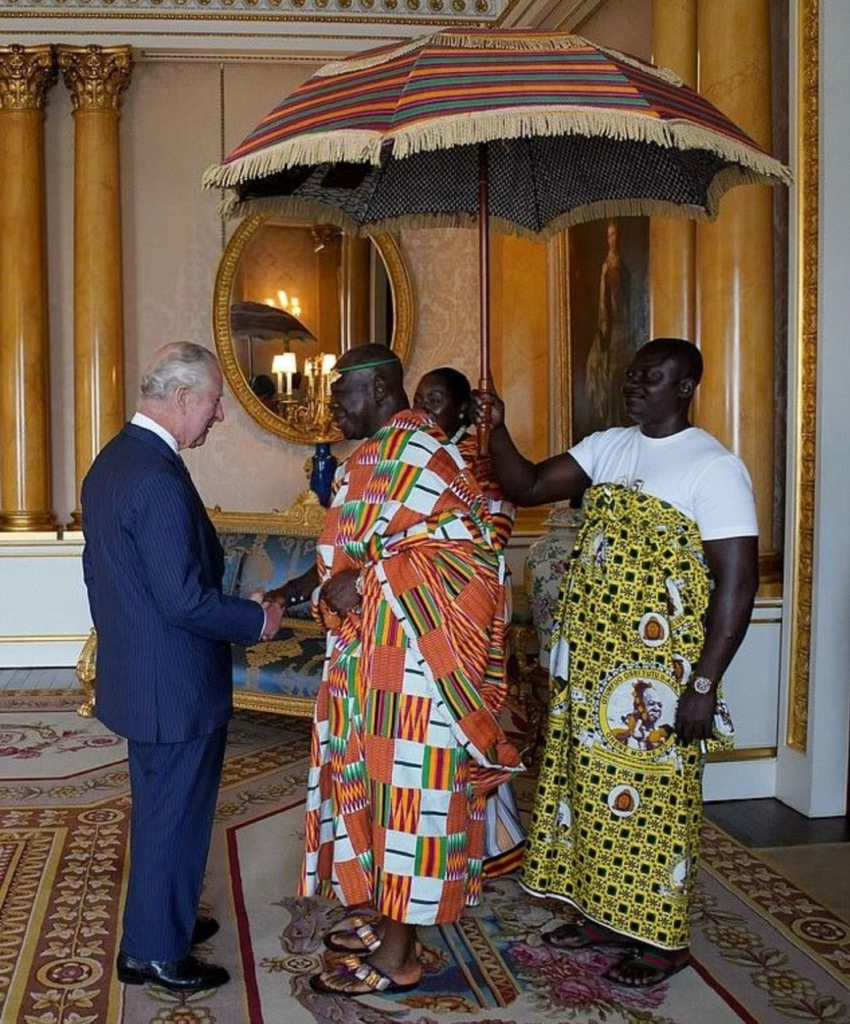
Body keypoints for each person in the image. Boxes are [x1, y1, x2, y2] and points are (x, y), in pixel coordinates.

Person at [475, 338, 759, 988]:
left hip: (659, 680)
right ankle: (599, 915)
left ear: (684, 386)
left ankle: (661, 944)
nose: (634, 388)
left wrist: (704, 685)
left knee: (653, 803)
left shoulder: (713, 467)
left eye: (650, 379)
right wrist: (498, 425)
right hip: (589, 669)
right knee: (587, 795)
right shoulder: (608, 444)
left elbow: (737, 584)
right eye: (631, 377)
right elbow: (528, 484)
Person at [279, 344, 522, 998]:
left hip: (420, 670)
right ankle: (387, 921)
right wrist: (341, 579)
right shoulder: (373, 455)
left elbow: (474, 560)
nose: (332, 406)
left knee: (412, 808)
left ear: (382, 388)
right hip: (369, 662)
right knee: (376, 797)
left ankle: (400, 954)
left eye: (342, 394)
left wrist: (373, 577)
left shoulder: (422, 453)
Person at [81, 342, 283, 993]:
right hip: (174, 683)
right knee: (176, 813)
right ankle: (155, 953)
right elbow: (185, 600)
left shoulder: (115, 460)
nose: (218, 416)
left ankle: (157, 921)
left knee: (161, 809)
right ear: (184, 398)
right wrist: (254, 621)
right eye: (216, 403)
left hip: (142, 672)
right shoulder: (158, 480)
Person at [412, 366, 525, 876]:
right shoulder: (410, 460)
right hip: (421, 610)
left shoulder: (480, 465)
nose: (423, 409)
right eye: (418, 399)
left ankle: (489, 843)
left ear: (462, 409)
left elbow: (490, 536)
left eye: (434, 400)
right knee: (431, 723)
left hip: (469, 610)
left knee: (469, 719)